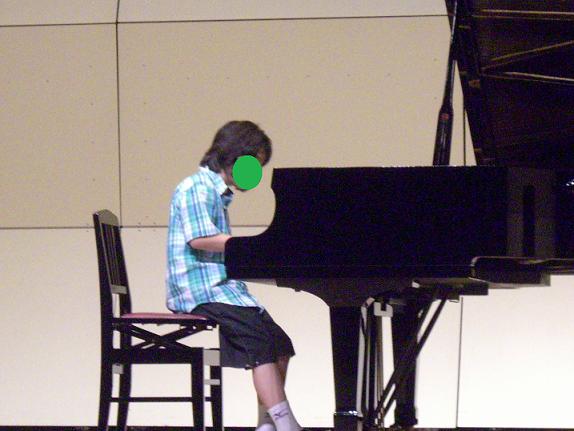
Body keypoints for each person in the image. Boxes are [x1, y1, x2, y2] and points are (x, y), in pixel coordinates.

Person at [166, 120, 301, 431]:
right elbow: (199, 239)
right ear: (233, 155)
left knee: (280, 344)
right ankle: (286, 425)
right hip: (199, 290)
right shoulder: (196, 188)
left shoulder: (216, 194)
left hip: (220, 289)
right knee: (259, 343)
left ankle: (266, 425)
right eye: (254, 164)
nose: (255, 173)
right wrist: (251, 246)